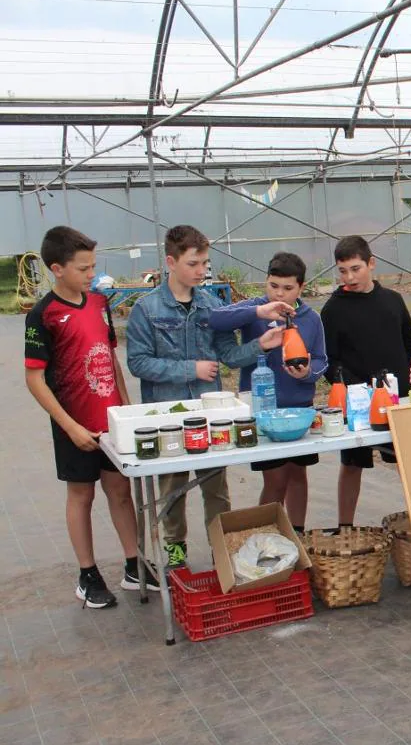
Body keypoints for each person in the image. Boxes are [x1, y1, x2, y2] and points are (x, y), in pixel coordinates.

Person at [127, 225, 281, 569]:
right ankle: (176, 551)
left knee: (216, 488)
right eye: (193, 263)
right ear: (171, 261)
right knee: (172, 489)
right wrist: (190, 370)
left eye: (205, 263)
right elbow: (138, 362)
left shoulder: (212, 306)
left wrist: (260, 346)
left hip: (211, 413)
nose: (201, 271)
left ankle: (221, 549)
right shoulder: (146, 309)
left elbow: (228, 354)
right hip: (166, 416)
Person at [24, 227, 147, 608]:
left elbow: (110, 357)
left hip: (111, 421)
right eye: (83, 268)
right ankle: (87, 574)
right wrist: (71, 426)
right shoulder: (42, 315)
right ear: (58, 269)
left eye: (93, 265)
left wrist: (125, 409)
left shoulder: (99, 303)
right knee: (81, 494)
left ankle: (134, 565)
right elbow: (33, 378)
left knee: (120, 492)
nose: (91, 274)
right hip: (74, 424)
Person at [208, 252, 327, 533]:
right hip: (263, 412)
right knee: (274, 480)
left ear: (301, 287)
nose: (280, 294)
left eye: (288, 288)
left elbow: (322, 359)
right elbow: (216, 318)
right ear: (266, 282)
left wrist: (308, 371)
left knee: (298, 475)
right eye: (274, 286)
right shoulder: (255, 311)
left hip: (299, 408)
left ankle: (298, 532)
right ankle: (267, 535)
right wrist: (258, 312)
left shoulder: (312, 319)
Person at [321, 235, 411, 527]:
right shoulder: (333, 309)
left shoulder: (393, 300)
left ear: (371, 264)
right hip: (357, 406)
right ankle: (345, 527)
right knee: (351, 465)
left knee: (406, 462)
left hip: (398, 400)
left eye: (355, 268)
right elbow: (329, 361)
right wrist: (353, 390)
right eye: (342, 270)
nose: (349, 277)